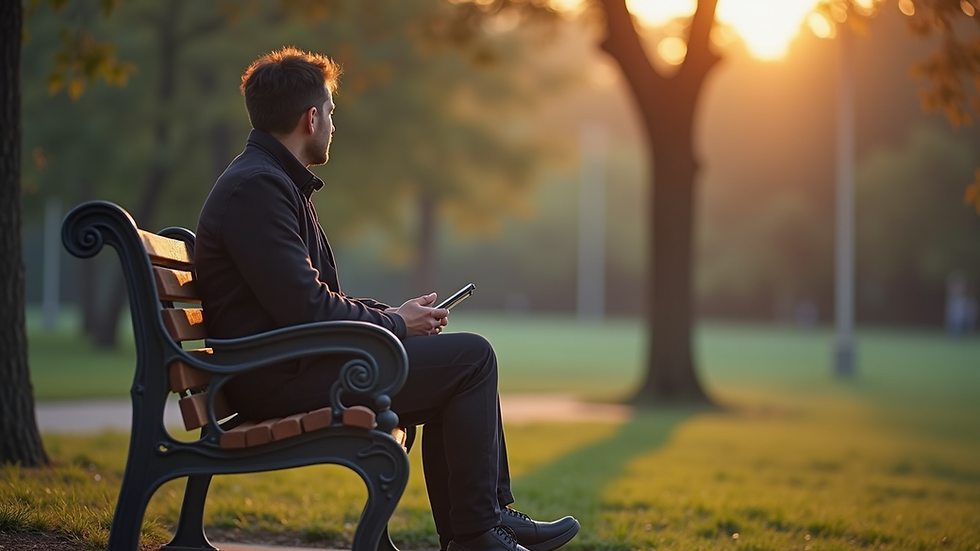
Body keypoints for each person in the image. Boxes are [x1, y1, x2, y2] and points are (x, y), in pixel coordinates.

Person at [194, 47, 580, 551]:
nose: (334, 124)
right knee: (473, 358)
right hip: (275, 378)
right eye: (331, 112)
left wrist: (390, 315)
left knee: (460, 365)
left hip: (287, 366)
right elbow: (309, 309)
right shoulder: (259, 189)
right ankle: (479, 531)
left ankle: (483, 526)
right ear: (311, 118)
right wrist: (396, 325)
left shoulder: (269, 182)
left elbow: (311, 300)